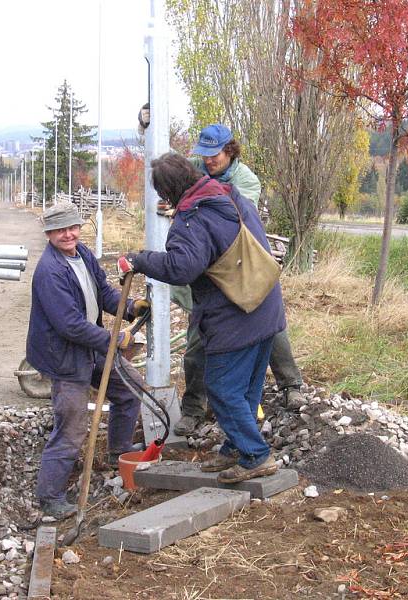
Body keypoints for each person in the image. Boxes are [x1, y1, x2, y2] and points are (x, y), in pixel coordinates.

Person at [118, 152, 285, 483]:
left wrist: (141, 260)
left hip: (235, 315)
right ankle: (238, 446)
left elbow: (182, 267)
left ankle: (255, 455)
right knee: (246, 389)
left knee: (221, 387)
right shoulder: (226, 194)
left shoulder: (192, 220)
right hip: (264, 302)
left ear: (168, 193)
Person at [158, 122, 306, 435]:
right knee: (197, 343)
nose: (208, 160)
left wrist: (184, 211)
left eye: (215, 155)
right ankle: (194, 408)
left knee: (269, 328)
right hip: (212, 281)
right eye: (204, 155)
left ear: (230, 151)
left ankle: (291, 384)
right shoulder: (196, 172)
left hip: (244, 268)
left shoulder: (244, 181)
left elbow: (232, 217)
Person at [26, 202, 148, 519]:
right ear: (49, 233)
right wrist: (113, 340)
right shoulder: (50, 272)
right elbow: (69, 325)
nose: (68, 234)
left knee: (130, 387)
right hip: (64, 356)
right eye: (60, 230)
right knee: (72, 426)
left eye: (72, 227)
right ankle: (51, 497)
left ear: (79, 229)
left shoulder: (83, 255)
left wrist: (132, 305)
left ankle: (118, 450)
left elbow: (105, 294)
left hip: (88, 345)